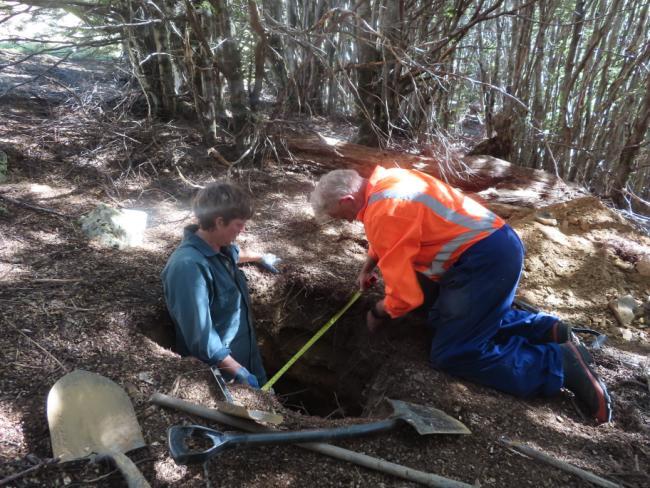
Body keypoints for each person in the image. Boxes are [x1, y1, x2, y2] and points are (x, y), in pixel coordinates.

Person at [310, 166, 612, 424]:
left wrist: (378, 311)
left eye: (342, 216)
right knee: (443, 314)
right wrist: (369, 265)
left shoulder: (383, 210)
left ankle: (559, 363)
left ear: (348, 199)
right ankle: (545, 329)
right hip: (492, 247)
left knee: (454, 353)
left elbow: (406, 297)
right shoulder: (388, 181)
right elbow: (392, 235)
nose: (348, 222)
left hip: (484, 261)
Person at [162, 182, 280, 388]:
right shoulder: (188, 268)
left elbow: (237, 254)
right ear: (218, 222)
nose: (243, 230)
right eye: (239, 224)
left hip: (249, 360)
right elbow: (201, 336)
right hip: (222, 377)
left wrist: (261, 257)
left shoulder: (220, 248)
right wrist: (237, 371)